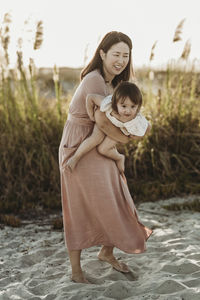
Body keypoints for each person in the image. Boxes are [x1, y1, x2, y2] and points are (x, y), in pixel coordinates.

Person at [59, 31, 152, 284]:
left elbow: (120, 118)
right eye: (116, 54)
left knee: (117, 195)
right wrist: (129, 138)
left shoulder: (115, 85)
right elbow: (103, 121)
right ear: (102, 54)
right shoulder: (95, 80)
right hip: (79, 141)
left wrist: (136, 129)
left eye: (126, 55)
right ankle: (77, 272)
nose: (121, 60)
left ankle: (106, 251)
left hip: (97, 142)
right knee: (76, 206)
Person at [66, 81, 151, 173]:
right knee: (94, 138)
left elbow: (147, 127)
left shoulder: (136, 119)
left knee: (103, 149)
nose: (128, 111)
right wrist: (91, 116)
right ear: (116, 103)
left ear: (138, 107)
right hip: (105, 120)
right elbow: (90, 98)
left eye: (133, 106)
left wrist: (137, 136)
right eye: (124, 106)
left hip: (118, 130)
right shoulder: (108, 103)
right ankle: (75, 158)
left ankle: (119, 158)